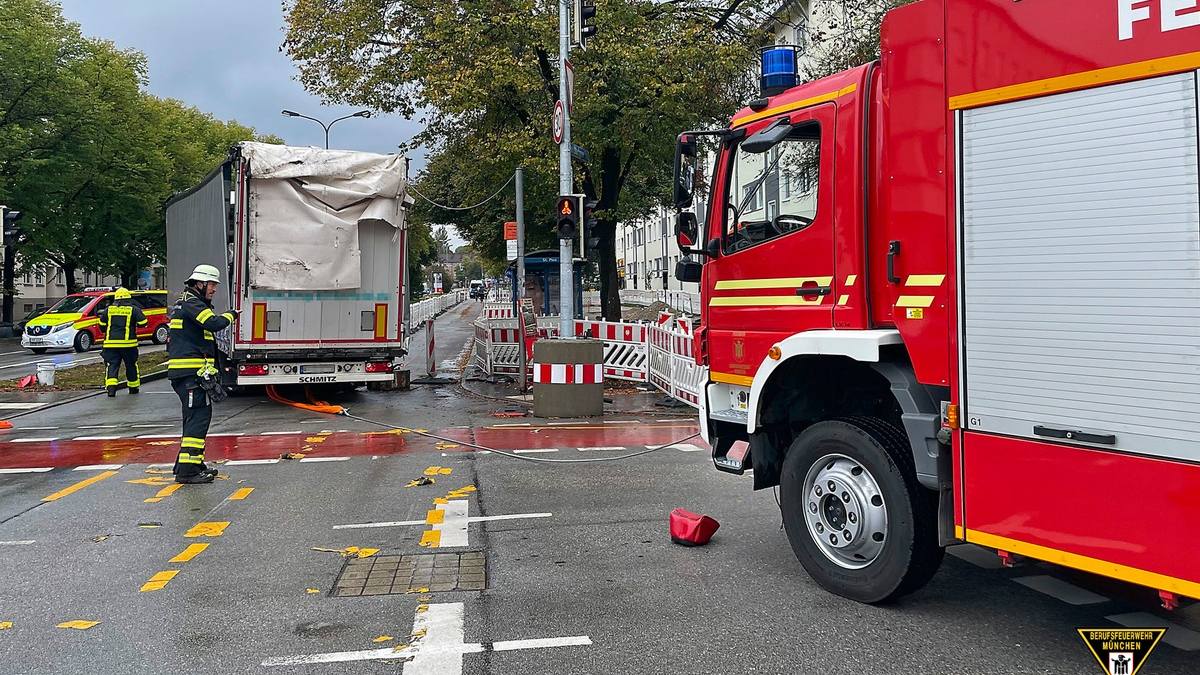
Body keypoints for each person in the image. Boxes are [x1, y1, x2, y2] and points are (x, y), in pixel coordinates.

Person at [168, 264, 236, 484]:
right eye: (212, 284)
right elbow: (213, 323)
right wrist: (232, 316)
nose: (214, 289)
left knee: (193, 418)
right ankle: (187, 472)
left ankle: (190, 463)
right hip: (191, 375)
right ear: (200, 284)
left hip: (190, 374)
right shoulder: (193, 303)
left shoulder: (187, 303)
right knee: (198, 418)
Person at [97, 288, 147, 397]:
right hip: (128, 345)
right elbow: (143, 322)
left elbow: (101, 325)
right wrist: (134, 325)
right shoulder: (134, 309)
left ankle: (111, 390)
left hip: (110, 344)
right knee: (131, 365)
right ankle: (133, 388)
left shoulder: (108, 310)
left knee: (112, 365)